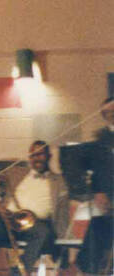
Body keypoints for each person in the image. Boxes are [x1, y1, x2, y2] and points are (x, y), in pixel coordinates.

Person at [0, 141, 69, 274]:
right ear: (29, 157)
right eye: (33, 155)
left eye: (40, 154)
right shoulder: (15, 173)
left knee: (43, 231)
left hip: (36, 224)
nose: (36, 158)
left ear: (49, 156)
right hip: (9, 220)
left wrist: (64, 243)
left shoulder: (59, 181)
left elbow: (63, 212)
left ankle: (19, 272)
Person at [76, 97, 114, 274]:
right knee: (97, 227)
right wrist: (98, 192)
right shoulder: (100, 141)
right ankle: (87, 269)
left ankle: (80, 267)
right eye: (107, 113)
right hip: (109, 202)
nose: (111, 115)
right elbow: (95, 172)